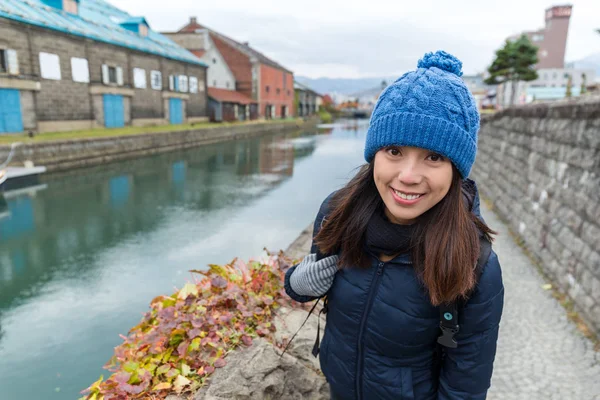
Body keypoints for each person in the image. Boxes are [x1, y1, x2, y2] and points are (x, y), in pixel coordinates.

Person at [284, 50, 504, 400]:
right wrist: (297, 283)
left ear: (456, 169)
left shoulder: (475, 260)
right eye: (394, 151)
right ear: (375, 154)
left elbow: (466, 382)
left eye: (434, 157)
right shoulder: (337, 213)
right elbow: (311, 282)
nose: (408, 176)